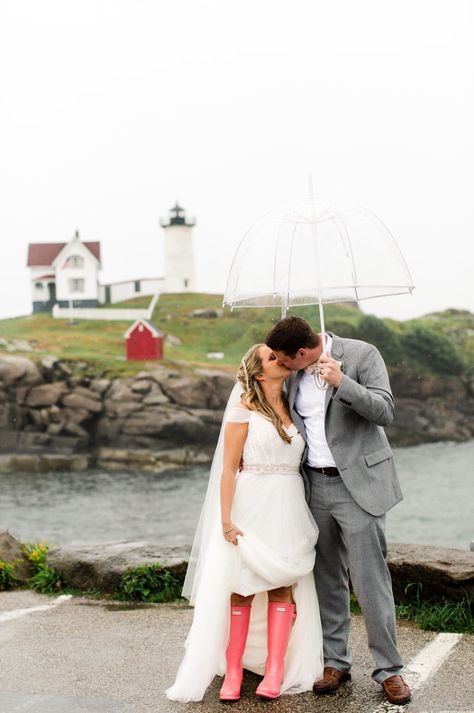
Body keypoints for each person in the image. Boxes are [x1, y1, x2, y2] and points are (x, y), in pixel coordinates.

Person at [266, 316, 411, 706]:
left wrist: (342, 383)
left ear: (303, 352)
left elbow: (385, 411)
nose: (283, 366)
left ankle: (389, 669)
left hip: (359, 487)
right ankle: (336, 662)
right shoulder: (293, 373)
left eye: (286, 360)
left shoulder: (363, 354)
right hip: (313, 486)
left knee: (370, 581)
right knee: (326, 579)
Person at [166, 343, 323, 702]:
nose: (281, 360)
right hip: (251, 504)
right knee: (243, 584)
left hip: (289, 505)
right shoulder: (242, 411)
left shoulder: (293, 405)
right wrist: (225, 520)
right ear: (258, 373)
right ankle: (233, 670)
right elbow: (227, 471)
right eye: (273, 358)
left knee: (283, 583)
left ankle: (275, 669)